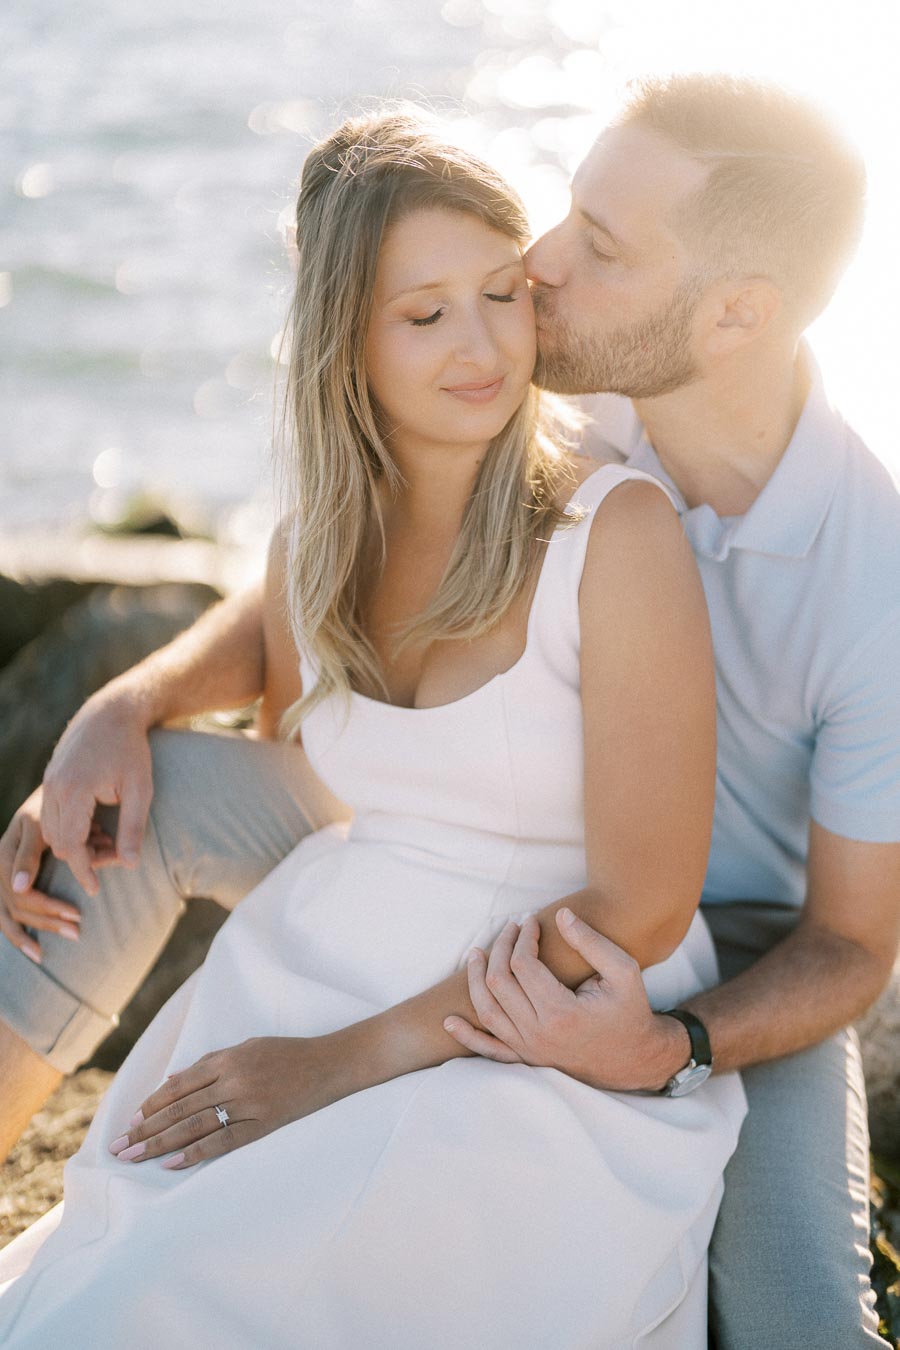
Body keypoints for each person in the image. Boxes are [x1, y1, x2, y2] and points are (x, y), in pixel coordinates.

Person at [0, 73, 896, 1348]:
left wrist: (674, 1045)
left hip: (721, 965)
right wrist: (124, 700)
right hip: (441, 849)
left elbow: (851, 948)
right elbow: (312, 589)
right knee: (126, 805)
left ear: (734, 315)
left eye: (599, 243)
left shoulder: (875, 584)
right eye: (568, 213)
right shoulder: (551, 384)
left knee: (806, 1326)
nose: (537, 267)